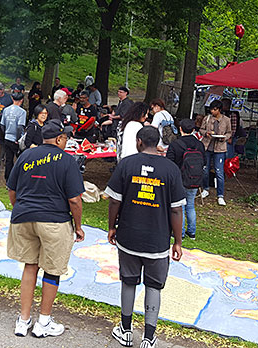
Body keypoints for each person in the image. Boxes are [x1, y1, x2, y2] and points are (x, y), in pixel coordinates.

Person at [106, 126, 185, 348]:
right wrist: (177, 241)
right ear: (156, 142)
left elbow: (114, 201)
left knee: (128, 281)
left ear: (139, 141)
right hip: (158, 241)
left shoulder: (127, 164)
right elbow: (176, 209)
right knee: (153, 286)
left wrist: (112, 227)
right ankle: (149, 338)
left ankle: (126, 330)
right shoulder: (170, 170)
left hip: (129, 236)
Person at [6, 119, 85, 339]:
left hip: (23, 217)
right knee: (52, 271)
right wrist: (78, 226)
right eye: (66, 137)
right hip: (54, 222)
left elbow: (11, 189)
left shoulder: (25, 156)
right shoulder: (67, 161)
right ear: (59, 139)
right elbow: (75, 200)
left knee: (30, 266)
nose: (67, 140)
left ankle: (23, 321)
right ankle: (43, 322)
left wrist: (20, 209)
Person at [166, 119, 205, 239]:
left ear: (180, 129)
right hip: (195, 179)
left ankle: (180, 233)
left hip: (179, 179)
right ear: (193, 130)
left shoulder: (175, 144)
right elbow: (205, 161)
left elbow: (169, 162)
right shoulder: (199, 144)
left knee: (180, 206)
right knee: (191, 205)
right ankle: (192, 232)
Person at [199, 100, 231, 206]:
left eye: (215, 109)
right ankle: (205, 189)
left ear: (219, 110)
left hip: (220, 148)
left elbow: (229, 133)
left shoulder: (226, 120)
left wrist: (224, 138)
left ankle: (220, 195)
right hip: (207, 147)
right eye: (212, 109)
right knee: (205, 170)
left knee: (219, 172)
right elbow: (201, 130)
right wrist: (206, 133)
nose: (213, 111)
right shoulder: (207, 118)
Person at [1, 92, 27, 181]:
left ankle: (8, 179)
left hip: (7, 138)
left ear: (12, 99)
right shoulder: (22, 112)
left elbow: (2, 125)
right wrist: (17, 138)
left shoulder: (6, 110)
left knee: (9, 160)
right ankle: (20, 179)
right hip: (16, 140)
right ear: (22, 100)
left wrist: (5, 134)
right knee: (21, 159)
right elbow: (20, 127)